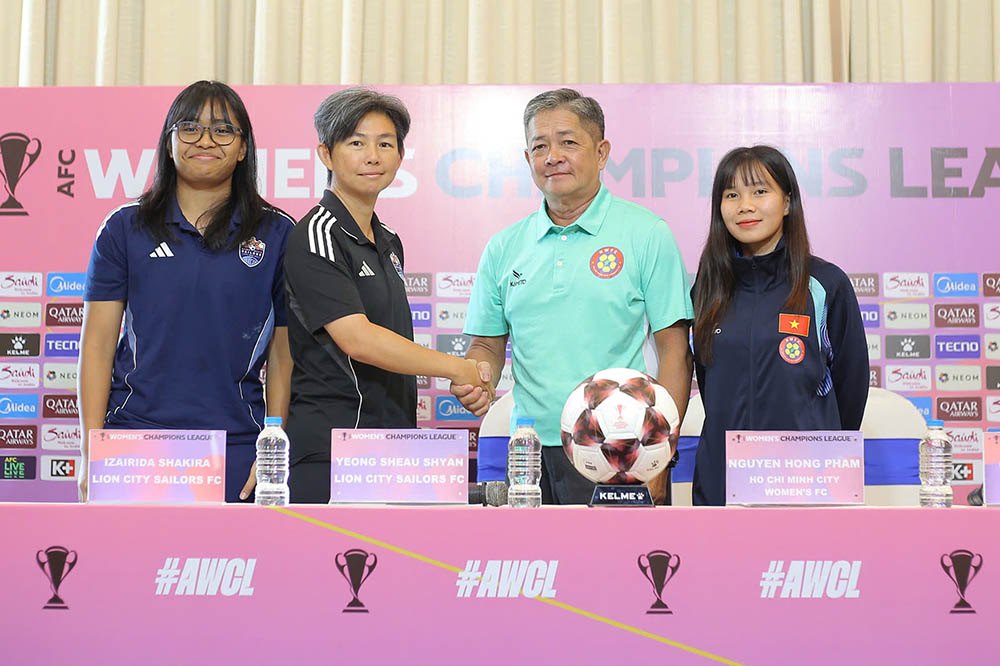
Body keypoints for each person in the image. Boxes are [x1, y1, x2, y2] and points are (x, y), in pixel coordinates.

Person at [453, 88, 694, 505]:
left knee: (615, 569)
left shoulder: (647, 234)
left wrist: (657, 454)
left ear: (601, 153)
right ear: (527, 158)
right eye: (539, 146)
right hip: (527, 452)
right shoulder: (504, 246)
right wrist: (480, 379)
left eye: (568, 142)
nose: (553, 156)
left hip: (620, 452)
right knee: (533, 569)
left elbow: (675, 351)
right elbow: (486, 345)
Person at [80, 80, 294, 503]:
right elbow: (99, 344)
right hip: (135, 439)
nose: (205, 140)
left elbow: (284, 353)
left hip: (236, 442)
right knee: (127, 568)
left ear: (243, 147)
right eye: (190, 127)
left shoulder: (278, 231)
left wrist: (272, 442)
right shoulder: (125, 227)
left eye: (223, 130)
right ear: (170, 141)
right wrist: (90, 447)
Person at [283, 88, 492, 503]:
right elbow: (357, 339)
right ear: (326, 154)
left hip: (393, 447)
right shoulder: (317, 233)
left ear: (400, 156)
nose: (372, 156)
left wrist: (467, 376)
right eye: (356, 143)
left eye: (385, 144)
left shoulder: (389, 240)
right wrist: (456, 368)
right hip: (334, 447)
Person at [691, 145, 869, 506]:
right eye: (732, 195)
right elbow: (711, 386)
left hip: (806, 483)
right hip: (722, 481)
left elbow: (852, 386)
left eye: (760, 191)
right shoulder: (706, 289)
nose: (745, 205)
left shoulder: (824, 283)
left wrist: (820, 449)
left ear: (787, 202)